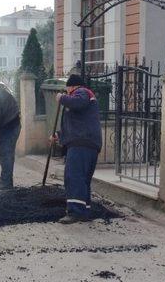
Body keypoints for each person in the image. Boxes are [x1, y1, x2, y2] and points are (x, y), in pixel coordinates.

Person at [52, 74, 102, 224]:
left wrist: (61, 98)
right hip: (86, 143)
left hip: (82, 144)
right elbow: (74, 124)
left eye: (67, 90)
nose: (67, 93)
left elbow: (78, 103)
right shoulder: (84, 97)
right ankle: (84, 210)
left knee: (74, 177)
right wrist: (59, 136)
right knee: (82, 179)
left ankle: (75, 211)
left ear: (72, 86)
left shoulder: (82, 92)